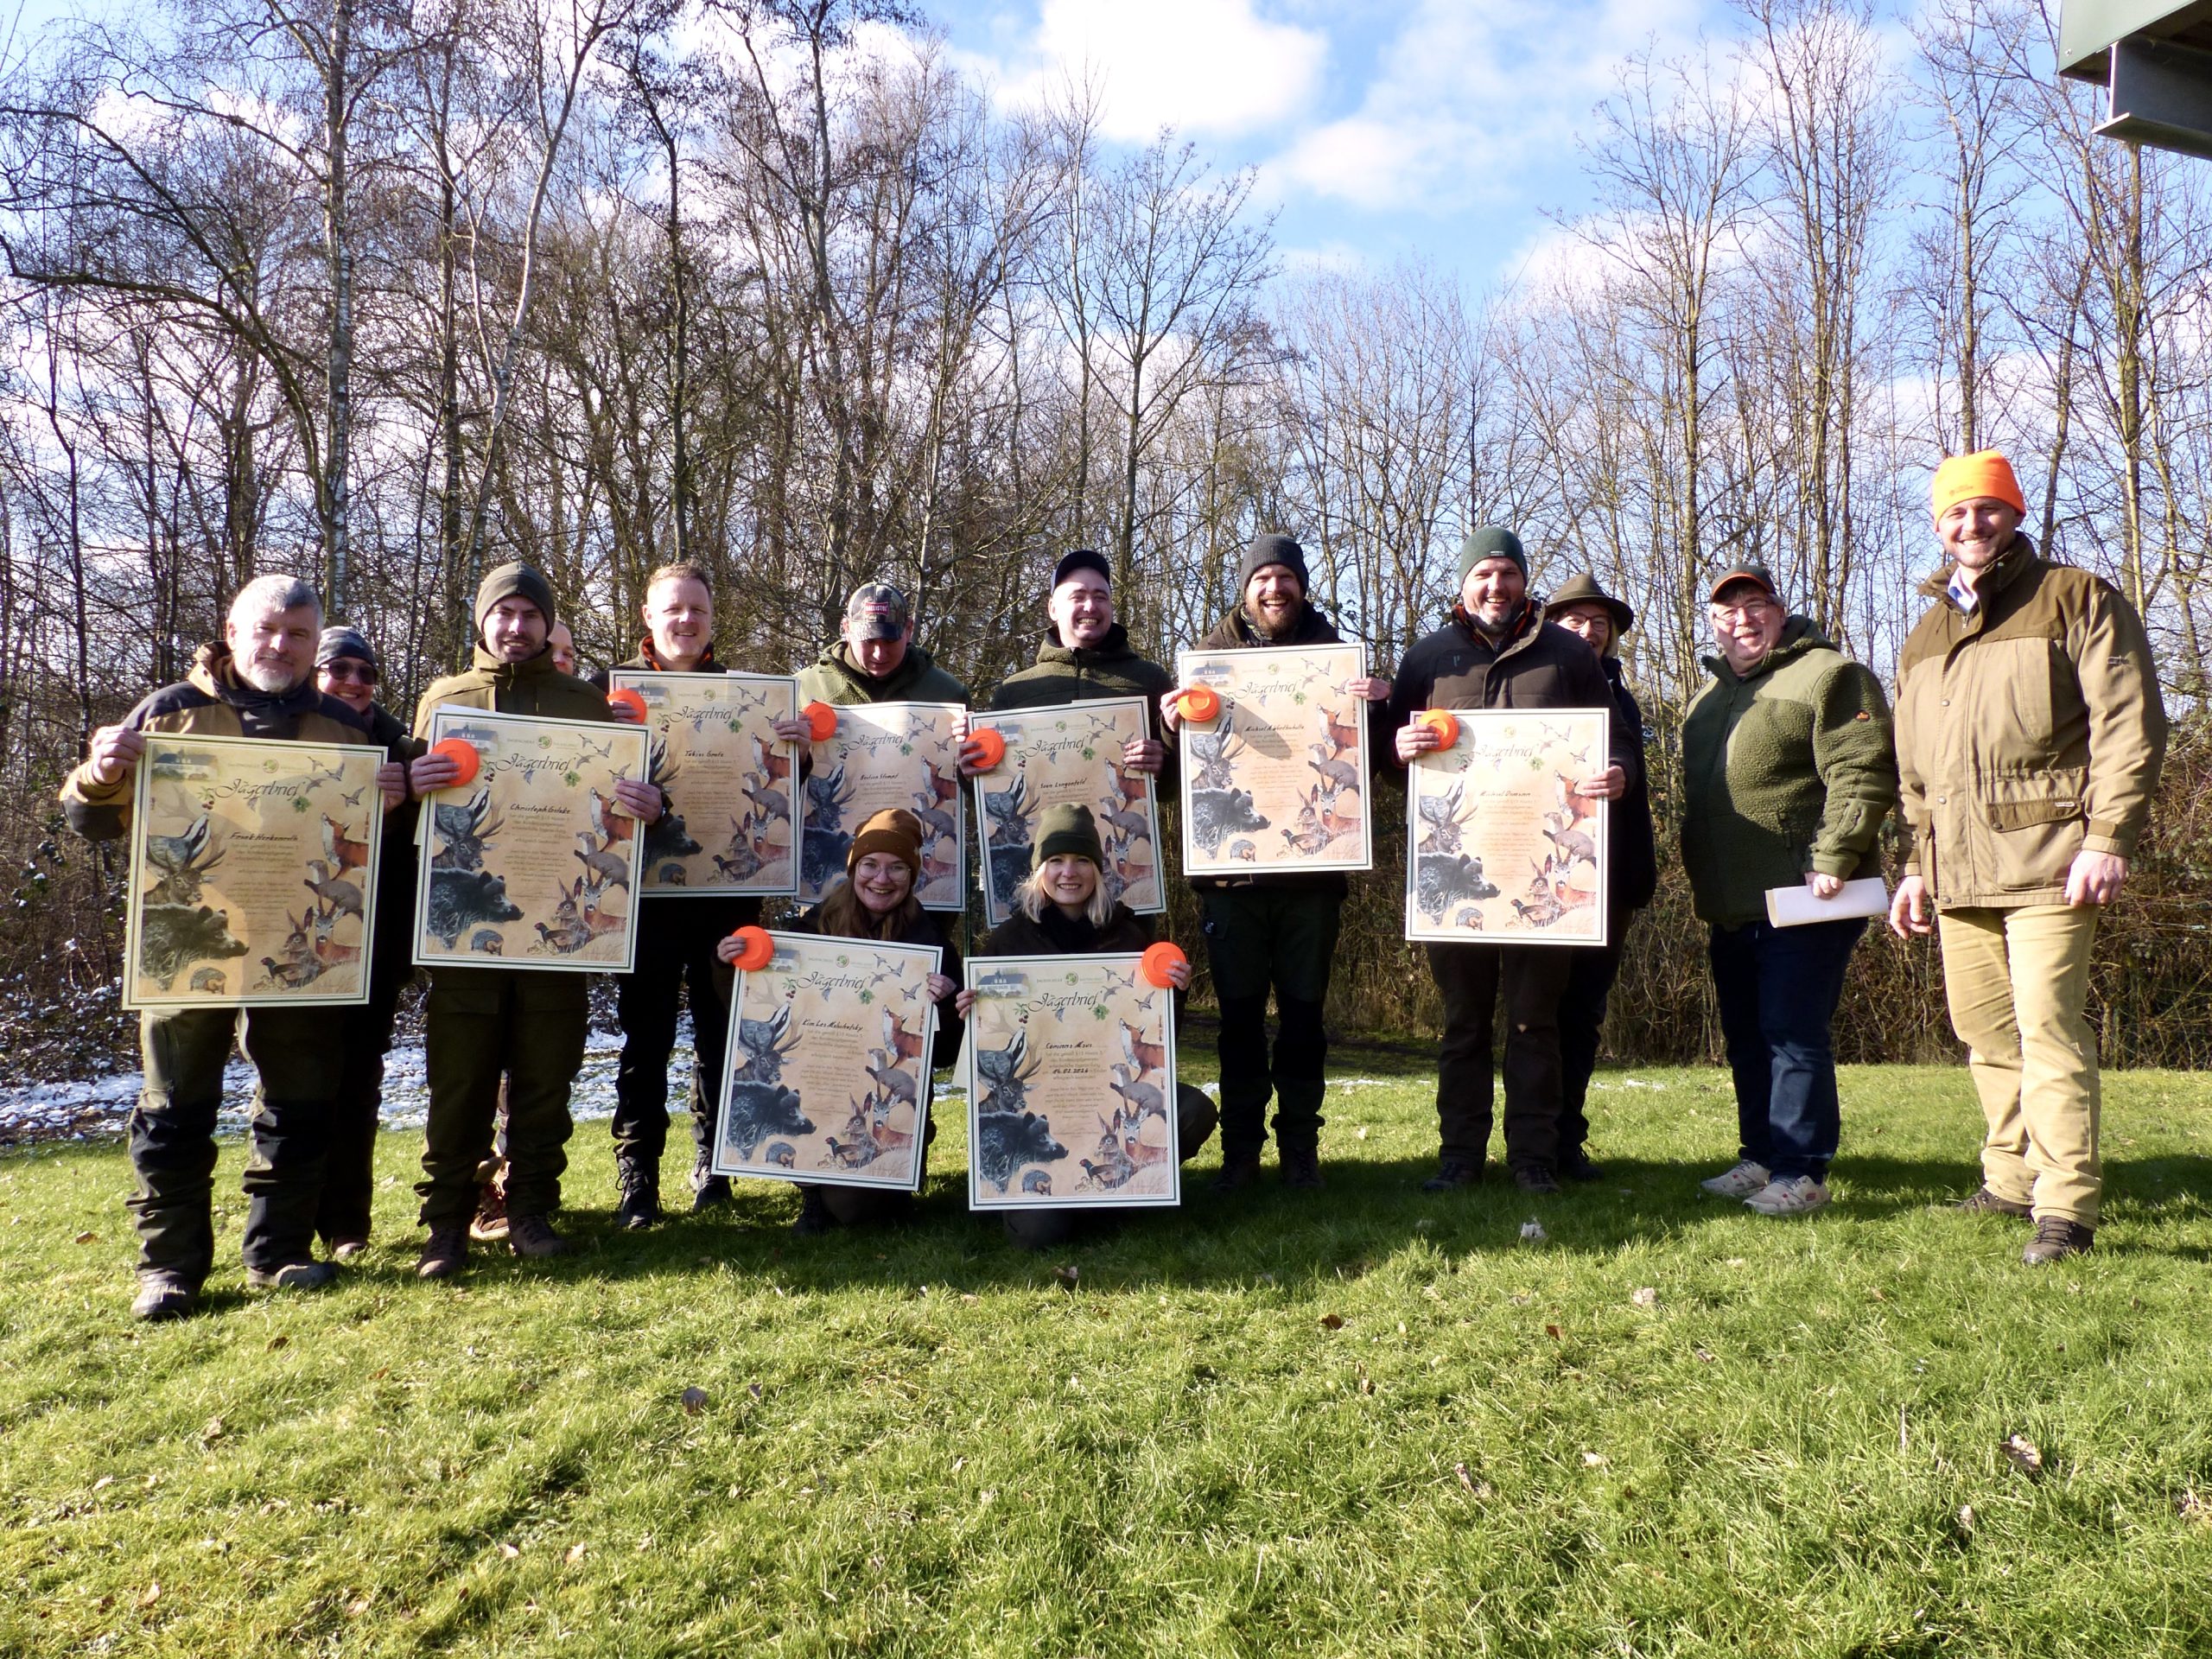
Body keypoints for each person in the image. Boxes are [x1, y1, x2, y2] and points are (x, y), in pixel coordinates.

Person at [59, 575, 390, 1319]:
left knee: (300, 1104)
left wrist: (392, 801)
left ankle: (280, 1254)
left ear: (314, 643)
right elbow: (93, 821)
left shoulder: (345, 728)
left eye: (297, 634)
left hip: (297, 943)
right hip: (187, 942)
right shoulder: (170, 712)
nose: (280, 645)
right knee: (174, 1106)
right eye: (266, 630)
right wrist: (101, 773)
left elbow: (373, 838)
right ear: (232, 633)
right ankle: (169, 1268)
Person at [1890, 451, 2167, 1265]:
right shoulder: (1926, 632)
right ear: (1938, 526)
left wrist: (2108, 838)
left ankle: (2066, 1207)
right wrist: (1916, 867)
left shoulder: (2075, 597)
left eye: (1988, 508)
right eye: (1955, 512)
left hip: (2053, 859)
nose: (1972, 524)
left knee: (2048, 1028)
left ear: (2014, 514)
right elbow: (1915, 771)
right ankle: (2010, 1180)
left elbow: (2129, 725)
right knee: (1983, 1031)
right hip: (1956, 870)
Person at [406, 563, 662, 1276]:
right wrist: (414, 782)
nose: (516, 627)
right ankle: (446, 1223)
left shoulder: (585, 703)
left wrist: (647, 805)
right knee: (459, 1082)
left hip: (558, 929)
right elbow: (414, 818)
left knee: (547, 1079)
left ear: (548, 624)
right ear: (482, 620)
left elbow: (615, 803)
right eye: (504, 613)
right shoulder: (446, 699)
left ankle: (531, 1210)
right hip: (467, 932)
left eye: (530, 614)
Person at [1387, 528, 1634, 1195]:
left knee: (1534, 1023)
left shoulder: (1567, 653)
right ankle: (1460, 1158)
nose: (1495, 587)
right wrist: (1397, 750)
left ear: (1525, 581)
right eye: (1483, 575)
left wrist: (1619, 774)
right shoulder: (1427, 658)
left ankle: (1533, 1159)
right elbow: (1385, 757)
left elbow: (1616, 742)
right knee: (1463, 1024)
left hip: (1541, 876)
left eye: (1507, 574)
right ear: (1464, 584)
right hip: (1454, 874)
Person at [1159, 532, 1391, 1192]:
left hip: (1312, 883)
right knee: (1237, 1023)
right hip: (1231, 882)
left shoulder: (1338, 664)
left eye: (1285, 576)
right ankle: (1240, 1153)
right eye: (1262, 578)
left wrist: (1379, 709)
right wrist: (1172, 730)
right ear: (1245, 589)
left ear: (1302, 586)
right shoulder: (1207, 666)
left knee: (1303, 1020)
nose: (1274, 588)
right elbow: (1173, 781)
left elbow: (1374, 767)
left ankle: (1299, 1150)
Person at [592, 562, 813, 1226]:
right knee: (647, 1039)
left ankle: (715, 1167)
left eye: (697, 610)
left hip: (727, 897)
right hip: (646, 900)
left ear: (713, 619)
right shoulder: (610, 698)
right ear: (648, 617)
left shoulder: (752, 700)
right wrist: (607, 755)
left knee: (721, 1033)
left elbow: (781, 796)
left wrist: (799, 756)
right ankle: (638, 1177)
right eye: (673, 609)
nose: (686, 620)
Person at [1681, 563, 1897, 1217]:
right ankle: (1761, 1157)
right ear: (1713, 624)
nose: (1742, 620)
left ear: (1780, 612)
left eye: (1755, 605)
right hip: (1733, 903)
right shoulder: (1706, 697)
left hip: (1809, 896)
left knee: (1791, 1033)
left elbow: (1861, 767)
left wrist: (1835, 854)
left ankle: (1802, 1172)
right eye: (1727, 610)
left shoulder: (1829, 674)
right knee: (1747, 1034)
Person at [954, 804, 1218, 1249]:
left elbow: (1157, 1040)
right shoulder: (1008, 941)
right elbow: (988, 1046)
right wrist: (969, 1012)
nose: (1068, 873)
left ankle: (1109, 1194)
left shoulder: (1130, 936)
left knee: (1195, 1110)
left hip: (1102, 1092)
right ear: (1039, 870)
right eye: (1056, 860)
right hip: (1041, 1106)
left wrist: (1174, 994)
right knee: (1039, 1235)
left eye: (1081, 860)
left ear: (1097, 868)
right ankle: (1063, 1197)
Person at [717, 808, 963, 1232]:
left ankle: (895, 1173)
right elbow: (750, 1013)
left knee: (855, 1210)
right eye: (870, 865)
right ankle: (812, 1192)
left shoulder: (930, 944)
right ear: (853, 868)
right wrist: (728, 966)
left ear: (912, 875)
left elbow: (943, 1056)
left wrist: (945, 1004)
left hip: (882, 1098)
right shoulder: (811, 930)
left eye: (897, 867)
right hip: (820, 1081)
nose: (881, 879)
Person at [1541, 573, 1658, 1179]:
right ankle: (1531, 1140)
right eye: (1574, 620)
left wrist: (1623, 774)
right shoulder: (1534, 689)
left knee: (1583, 1012)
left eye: (1599, 623)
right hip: (1543, 882)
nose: (1587, 631)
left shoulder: (1622, 697)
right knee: (1538, 1014)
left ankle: (1566, 1140)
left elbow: (1631, 773)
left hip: (1609, 884)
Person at [310, 626, 421, 1261]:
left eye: (366, 673)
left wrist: (406, 802)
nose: (353, 682)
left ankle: (347, 1225)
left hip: (374, 946)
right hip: (295, 938)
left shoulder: (402, 746)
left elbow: (427, 843)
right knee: (293, 1088)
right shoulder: (277, 734)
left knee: (358, 1083)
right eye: (339, 669)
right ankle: (286, 1225)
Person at [969, 548, 1173, 780]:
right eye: (1078, 596)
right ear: (1053, 609)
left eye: (1100, 597)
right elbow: (993, 783)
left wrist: (1164, 765)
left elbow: (1180, 780)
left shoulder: (1151, 680)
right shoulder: (1013, 692)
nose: (1090, 606)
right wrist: (971, 770)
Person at [798, 581, 969, 708]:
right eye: (869, 641)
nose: (879, 654)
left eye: (890, 641)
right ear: (847, 629)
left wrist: (972, 741)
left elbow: (970, 746)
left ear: (909, 629)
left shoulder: (948, 694)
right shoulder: (802, 689)